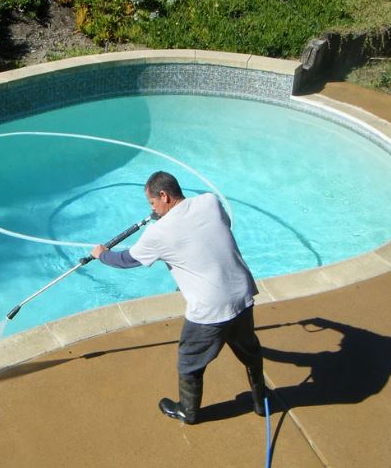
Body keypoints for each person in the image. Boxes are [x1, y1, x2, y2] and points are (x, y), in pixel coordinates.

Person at [91, 171, 266, 424]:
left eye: (153, 203)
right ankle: (262, 401)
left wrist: (101, 254)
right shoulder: (210, 202)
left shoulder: (158, 233)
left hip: (209, 310)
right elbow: (219, 230)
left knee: (189, 362)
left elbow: (126, 260)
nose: (154, 209)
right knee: (249, 349)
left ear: (164, 196)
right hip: (242, 294)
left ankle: (188, 411)